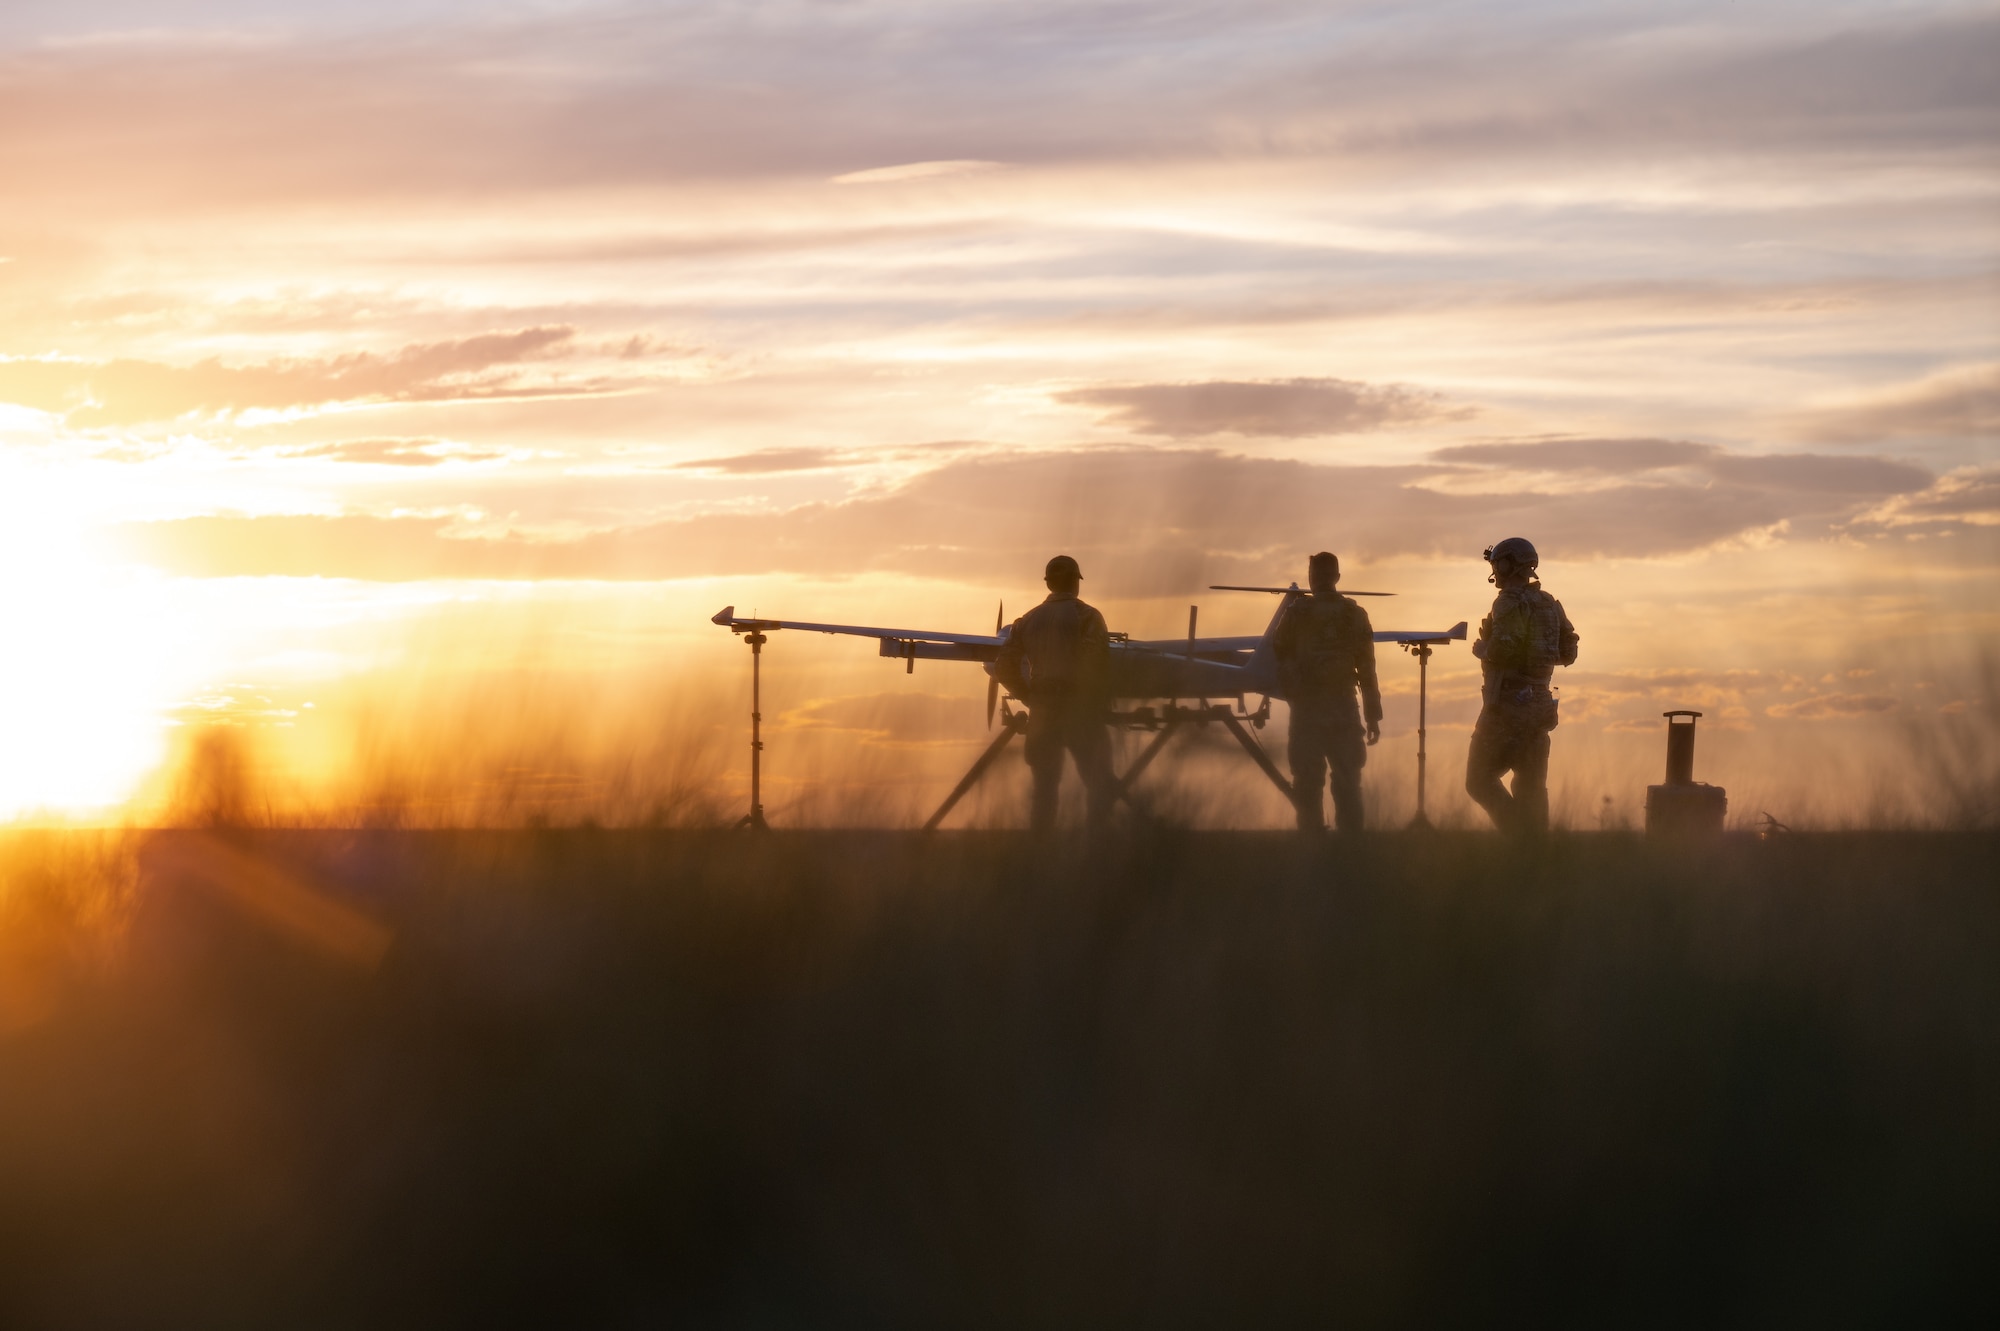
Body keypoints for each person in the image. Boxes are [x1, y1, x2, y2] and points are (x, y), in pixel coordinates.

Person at [992, 554, 1118, 830]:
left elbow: (1003, 667)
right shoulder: (1088, 617)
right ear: (1075, 582)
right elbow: (1096, 664)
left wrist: (1028, 696)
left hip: (1043, 712)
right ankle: (1098, 850)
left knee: (1044, 789)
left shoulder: (1026, 621)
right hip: (1079, 711)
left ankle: (1040, 855)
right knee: (1099, 783)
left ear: (1048, 584)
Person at [1464, 537, 1579, 833]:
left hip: (1505, 706)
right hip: (1540, 704)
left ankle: (1519, 835)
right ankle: (1536, 850)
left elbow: (1504, 650)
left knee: (1478, 781)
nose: (1495, 572)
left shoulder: (1507, 603)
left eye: (1497, 564)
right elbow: (1569, 652)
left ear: (1507, 565)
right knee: (1532, 787)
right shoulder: (1550, 603)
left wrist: (1483, 648)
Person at [1272, 551, 1382, 832]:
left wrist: (1293, 692)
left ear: (1312, 578)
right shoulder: (1354, 614)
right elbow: (1367, 668)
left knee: (1307, 782)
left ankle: (1312, 847)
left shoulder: (1296, 613)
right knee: (1347, 779)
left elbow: (1280, 654)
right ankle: (1351, 848)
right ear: (1337, 577)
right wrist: (1372, 716)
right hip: (1344, 707)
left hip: (1307, 709)